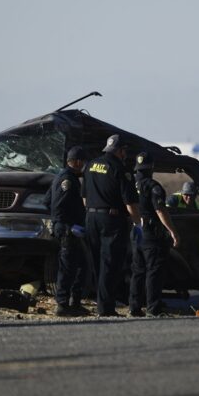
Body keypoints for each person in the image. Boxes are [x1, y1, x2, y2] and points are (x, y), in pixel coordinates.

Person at [82, 134, 141, 317]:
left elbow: (84, 198)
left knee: (98, 264)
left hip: (91, 218)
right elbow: (130, 202)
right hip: (111, 221)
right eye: (124, 151)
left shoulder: (91, 165)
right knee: (110, 265)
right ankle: (105, 308)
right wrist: (138, 224)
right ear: (120, 151)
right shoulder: (120, 169)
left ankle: (102, 303)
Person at [128, 152, 180, 317]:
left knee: (138, 271)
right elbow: (160, 210)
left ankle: (134, 307)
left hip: (136, 231)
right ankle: (153, 308)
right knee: (154, 271)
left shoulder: (131, 185)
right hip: (151, 234)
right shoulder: (153, 186)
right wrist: (172, 231)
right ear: (151, 168)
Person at [50, 146, 90, 317]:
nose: (84, 166)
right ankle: (63, 304)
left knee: (81, 265)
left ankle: (74, 302)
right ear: (77, 162)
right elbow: (59, 205)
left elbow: (46, 201)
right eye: (83, 162)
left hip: (67, 228)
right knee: (68, 268)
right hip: (68, 230)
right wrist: (67, 225)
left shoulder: (59, 176)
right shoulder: (68, 180)